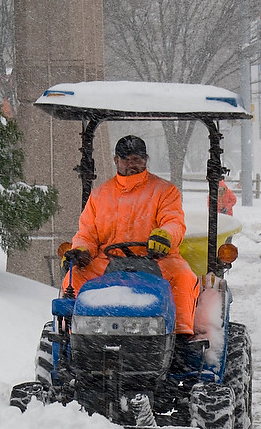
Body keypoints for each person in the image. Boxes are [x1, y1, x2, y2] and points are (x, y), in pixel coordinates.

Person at [62, 135, 200, 335]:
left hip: (157, 260)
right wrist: (81, 250)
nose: (132, 164)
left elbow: (174, 222)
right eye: (126, 159)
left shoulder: (164, 191)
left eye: (137, 159)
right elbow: (87, 233)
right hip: (107, 261)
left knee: (183, 276)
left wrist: (164, 236)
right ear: (116, 160)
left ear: (145, 160)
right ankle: (71, 333)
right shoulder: (100, 195)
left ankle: (180, 335)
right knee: (74, 276)